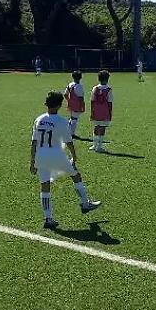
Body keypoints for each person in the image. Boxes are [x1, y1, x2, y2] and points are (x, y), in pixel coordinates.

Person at [30, 91, 102, 230]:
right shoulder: (62, 121)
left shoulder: (39, 119)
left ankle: (48, 218)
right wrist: (74, 156)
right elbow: (69, 142)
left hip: (40, 155)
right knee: (76, 175)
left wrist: (32, 161)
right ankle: (85, 203)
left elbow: (33, 142)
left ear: (46, 104)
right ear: (59, 105)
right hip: (56, 154)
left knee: (45, 185)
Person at [89, 70, 113, 153]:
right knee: (102, 128)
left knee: (96, 127)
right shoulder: (109, 90)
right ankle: (99, 146)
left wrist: (92, 112)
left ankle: (94, 145)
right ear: (107, 79)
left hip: (96, 111)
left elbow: (92, 101)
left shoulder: (95, 88)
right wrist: (110, 113)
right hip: (104, 111)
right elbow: (110, 103)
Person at [64, 70, 85, 137]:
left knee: (72, 117)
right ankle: (71, 133)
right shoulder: (79, 86)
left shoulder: (70, 84)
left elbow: (65, 94)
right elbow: (81, 98)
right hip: (77, 104)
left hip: (71, 104)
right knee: (75, 119)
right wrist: (83, 106)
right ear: (81, 77)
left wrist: (69, 100)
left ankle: (68, 130)